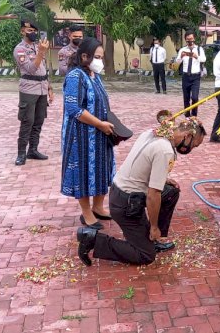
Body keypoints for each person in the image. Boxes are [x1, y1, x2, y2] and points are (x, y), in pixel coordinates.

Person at [76, 117, 206, 266]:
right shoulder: (165, 151)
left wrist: (161, 177)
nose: (191, 149)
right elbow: (153, 195)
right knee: (145, 255)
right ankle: (93, 240)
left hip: (121, 193)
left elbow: (144, 163)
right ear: (187, 136)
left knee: (171, 192)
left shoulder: (152, 133)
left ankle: (153, 239)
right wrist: (154, 226)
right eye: (194, 145)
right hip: (126, 203)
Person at [61, 37, 118, 232]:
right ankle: (86, 212)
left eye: (102, 57)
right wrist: (99, 124)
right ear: (84, 56)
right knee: (83, 172)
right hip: (82, 135)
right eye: (97, 57)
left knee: (102, 168)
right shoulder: (75, 76)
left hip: (101, 133)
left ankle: (98, 207)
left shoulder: (95, 75)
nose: (100, 61)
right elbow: (73, 108)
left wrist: (106, 125)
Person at [14, 19, 54, 166]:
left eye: (34, 31)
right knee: (27, 121)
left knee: (38, 121)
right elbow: (31, 69)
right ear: (22, 31)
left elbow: (43, 70)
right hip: (29, 89)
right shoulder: (20, 49)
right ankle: (21, 154)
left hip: (42, 88)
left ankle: (33, 150)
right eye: (29, 31)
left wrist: (49, 88)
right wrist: (42, 52)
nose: (32, 33)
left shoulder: (38, 47)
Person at [176, 32, 205, 117]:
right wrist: (181, 56)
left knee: (195, 97)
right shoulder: (182, 49)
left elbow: (203, 59)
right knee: (186, 98)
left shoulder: (199, 49)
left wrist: (196, 57)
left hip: (196, 76)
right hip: (186, 76)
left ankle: (194, 115)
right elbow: (177, 62)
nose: (190, 41)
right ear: (186, 40)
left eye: (191, 39)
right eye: (188, 39)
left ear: (194, 39)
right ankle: (187, 116)